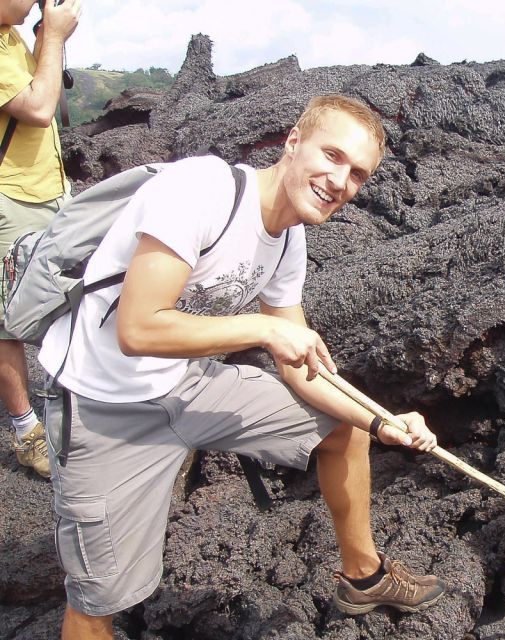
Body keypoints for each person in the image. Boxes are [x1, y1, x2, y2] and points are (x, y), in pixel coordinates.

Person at [37, 95, 447, 639]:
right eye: (332, 155)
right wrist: (263, 328)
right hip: (103, 404)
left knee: (345, 430)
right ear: (293, 142)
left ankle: (363, 577)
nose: (340, 180)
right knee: (97, 600)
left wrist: (384, 421)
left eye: (358, 174)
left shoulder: (287, 241)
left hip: (186, 381)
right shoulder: (202, 191)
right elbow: (138, 329)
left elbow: (302, 368)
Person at [0, 0, 80, 478]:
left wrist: (47, 40)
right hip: (8, 197)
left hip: (51, 188)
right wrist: (51, 38)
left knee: (73, 300)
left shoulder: (10, 34)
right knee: (5, 320)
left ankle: (74, 406)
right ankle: (25, 429)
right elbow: (37, 107)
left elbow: (47, 93)